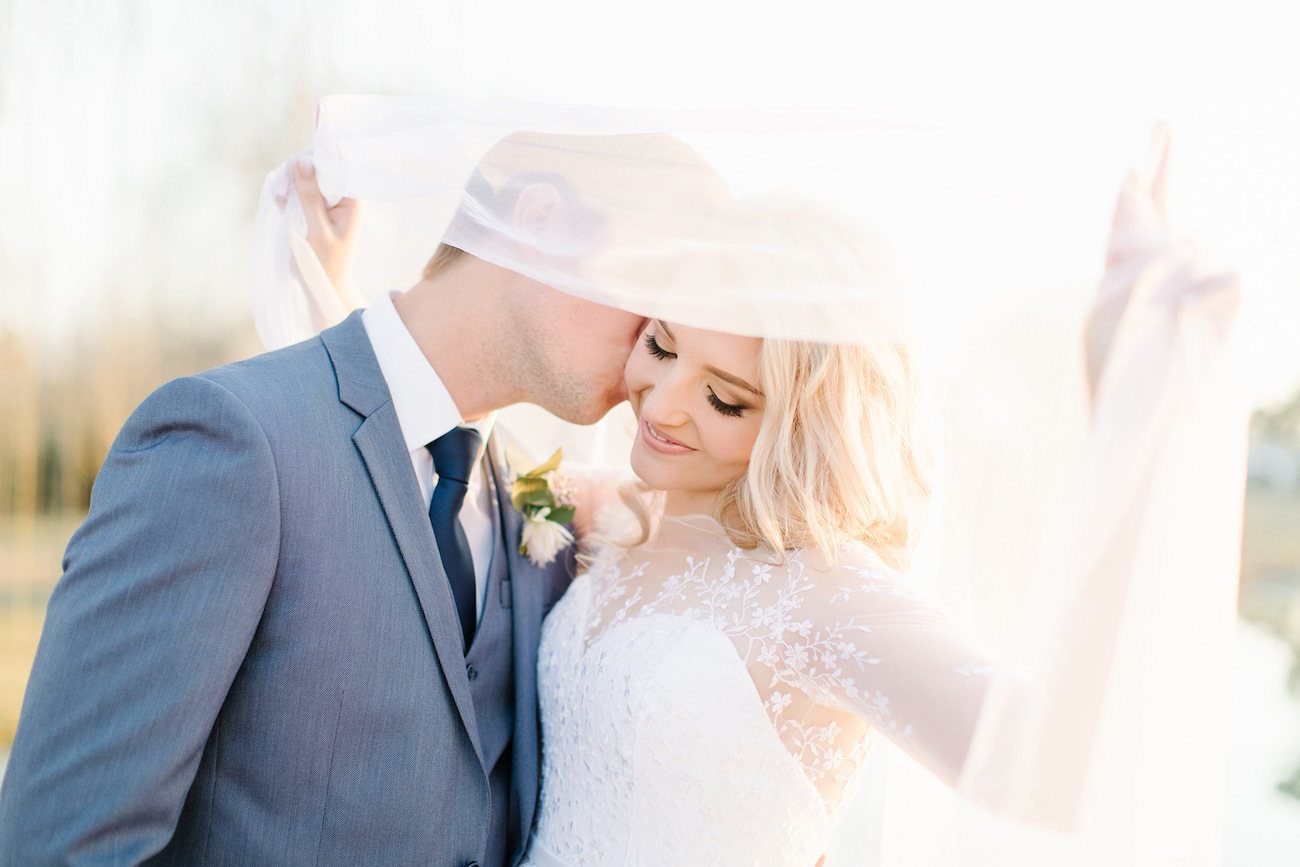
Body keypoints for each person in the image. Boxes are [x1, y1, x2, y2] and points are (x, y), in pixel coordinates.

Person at [291, 142, 1241, 866]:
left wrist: (1139, 419)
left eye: (727, 398)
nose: (661, 406)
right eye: (661, 345)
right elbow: (418, 463)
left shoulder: (825, 595)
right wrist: (323, 296)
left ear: (800, 421)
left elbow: (1045, 768)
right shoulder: (606, 518)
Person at [0, 132, 727, 866]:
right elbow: (65, 845)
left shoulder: (546, 514)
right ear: (538, 222)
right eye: (653, 292)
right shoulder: (231, 443)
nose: (655, 352)